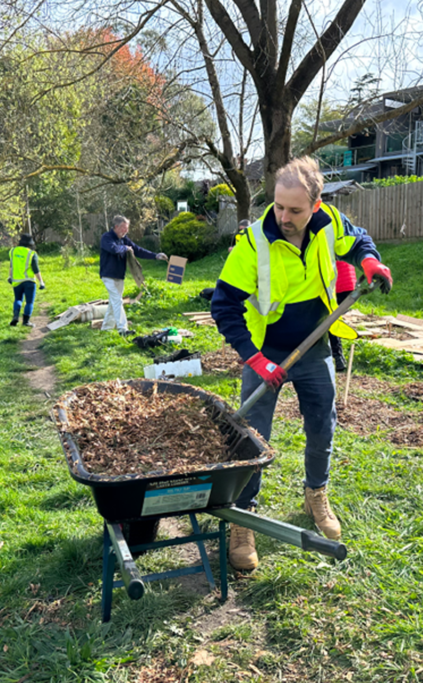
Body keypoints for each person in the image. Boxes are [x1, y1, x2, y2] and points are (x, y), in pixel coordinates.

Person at [211, 156, 393, 571]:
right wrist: (255, 360)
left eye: (295, 209)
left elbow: (358, 239)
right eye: (278, 206)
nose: (284, 217)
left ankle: (316, 494)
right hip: (266, 351)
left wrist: (369, 261)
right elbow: (224, 306)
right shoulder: (254, 243)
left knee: (321, 422)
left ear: (315, 204)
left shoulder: (328, 223)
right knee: (251, 436)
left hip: (313, 348)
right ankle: (244, 516)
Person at [99, 215, 167, 335]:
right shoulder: (107, 238)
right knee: (117, 301)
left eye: (127, 229)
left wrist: (155, 256)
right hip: (108, 275)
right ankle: (123, 330)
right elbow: (114, 249)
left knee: (114, 302)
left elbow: (137, 250)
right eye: (123, 228)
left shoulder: (124, 239)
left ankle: (106, 328)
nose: (126, 231)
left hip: (119, 275)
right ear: (116, 227)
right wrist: (125, 248)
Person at [7, 233, 47, 328]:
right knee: (29, 302)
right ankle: (26, 322)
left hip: (16, 281)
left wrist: (10, 277)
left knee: (18, 299)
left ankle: (15, 316)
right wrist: (41, 282)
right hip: (29, 281)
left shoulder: (13, 251)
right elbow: (36, 269)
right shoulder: (32, 253)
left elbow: (12, 265)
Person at [328, 261, 357, 373]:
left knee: (328, 321)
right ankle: (337, 357)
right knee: (331, 319)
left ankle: (337, 356)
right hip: (349, 284)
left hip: (337, 285)